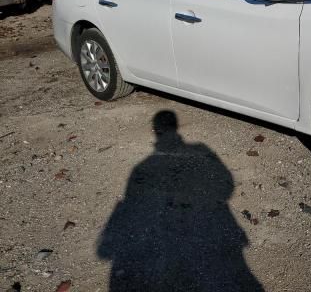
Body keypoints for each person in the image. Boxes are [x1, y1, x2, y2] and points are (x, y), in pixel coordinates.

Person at [97, 110, 262, 291]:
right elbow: (227, 185)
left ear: (156, 131)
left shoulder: (142, 168)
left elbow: (106, 248)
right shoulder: (199, 150)